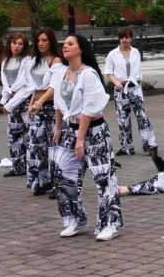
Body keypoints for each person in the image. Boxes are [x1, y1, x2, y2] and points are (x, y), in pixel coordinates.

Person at [49, 34, 122, 241]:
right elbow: (58, 103)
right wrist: (58, 128)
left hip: (94, 132)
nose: (65, 46)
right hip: (70, 130)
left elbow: (89, 109)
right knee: (63, 176)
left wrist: (80, 139)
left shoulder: (88, 74)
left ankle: (110, 223)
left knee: (104, 178)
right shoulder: (61, 73)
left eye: (70, 43)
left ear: (80, 49)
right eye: (64, 43)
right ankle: (75, 219)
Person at [104, 27, 164, 170]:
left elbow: (139, 71)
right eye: (122, 37)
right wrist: (116, 83)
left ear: (131, 38)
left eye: (126, 37)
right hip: (120, 88)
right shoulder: (112, 54)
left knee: (141, 116)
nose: (124, 40)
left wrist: (140, 88)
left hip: (134, 86)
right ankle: (127, 146)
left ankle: (150, 144)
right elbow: (109, 72)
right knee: (123, 118)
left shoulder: (135, 52)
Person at [25, 28, 65, 196]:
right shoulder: (35, 61)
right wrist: (32, 103)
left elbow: (54, 86)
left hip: (51, 107)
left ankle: (58, 183)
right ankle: (42, 180)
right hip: (38, 107)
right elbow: (33, 86)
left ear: (51, 42)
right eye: (38, 40)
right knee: (36, 144)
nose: (41, 44)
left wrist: (40, 102)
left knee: (54, 145)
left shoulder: (55, 61)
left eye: (44, 40)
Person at [0, 32, 33, 178]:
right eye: (14, 43)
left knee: (28, 134)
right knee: (13, 134)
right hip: (12, 103)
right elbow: (5, 82)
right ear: (10, 44)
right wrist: (6, 99)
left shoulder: (26, 61)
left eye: (20, 44)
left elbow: (28, 84)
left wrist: (13, 100)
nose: (16, 46)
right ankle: (17, 166)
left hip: (24, 101)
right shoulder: (5, 60)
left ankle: (30, 165)